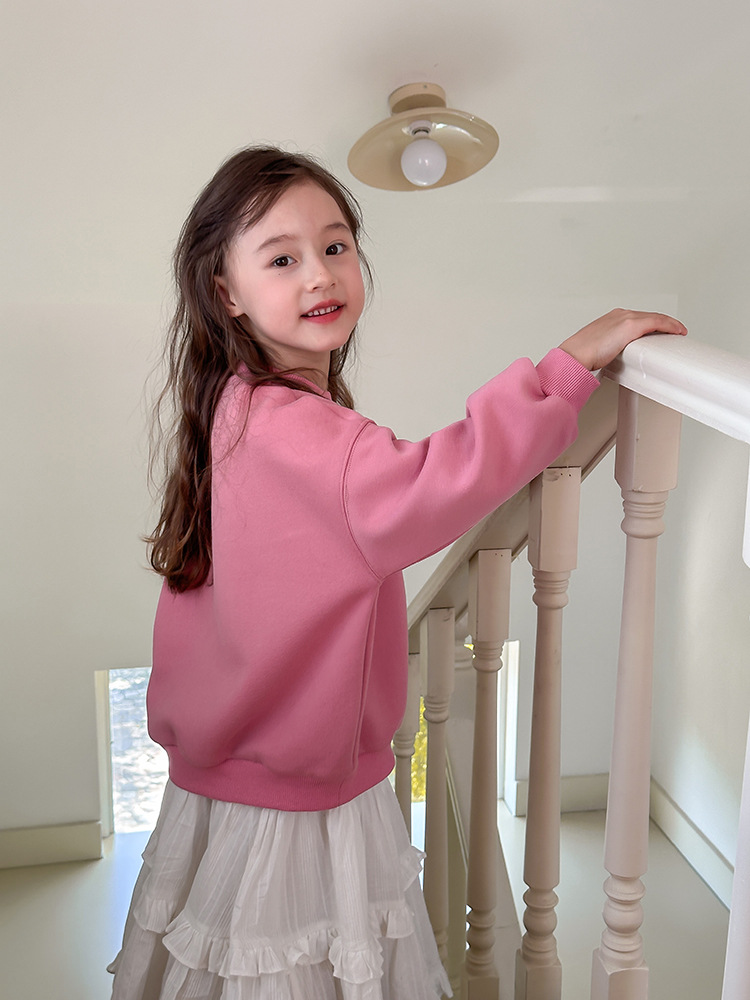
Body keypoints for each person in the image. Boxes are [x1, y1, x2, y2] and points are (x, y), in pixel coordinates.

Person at [108, 146, 687, 1000]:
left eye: (335, 246)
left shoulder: (230, 403)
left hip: (223, 787)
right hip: (299, 803)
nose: (320, 273)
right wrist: (565, 368)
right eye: (282, 259)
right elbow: (442, 479)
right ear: (226, 292)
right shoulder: (308, 436)